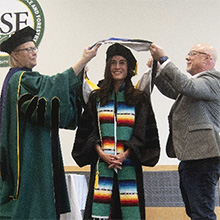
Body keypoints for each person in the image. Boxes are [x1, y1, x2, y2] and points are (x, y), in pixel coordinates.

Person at [0, 26, 100, 219]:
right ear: (15, 55)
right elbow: (51, 87)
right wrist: (83, 61)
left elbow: (48, 97)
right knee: (32, 204)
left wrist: (75, 78)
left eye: (34, 48)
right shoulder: (20, 79)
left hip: (31, 146)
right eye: (28, 49)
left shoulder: (15, 79)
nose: (34, 52)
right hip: (30, 152)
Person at [72, 43, 160, 220]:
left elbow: (142, 132)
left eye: (122, 63)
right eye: (113, 62)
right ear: (107, 66)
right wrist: (101, 153)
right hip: (102, 165)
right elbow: (88, 131)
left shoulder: (138, 99)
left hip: (129, 165)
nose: (117, 67)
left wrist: (126, 154)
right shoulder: (97, 98)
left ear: (128, 67)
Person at [150, 42, 220, 220]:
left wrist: (164, 59)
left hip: (203, 157)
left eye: (192, 53)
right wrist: (158, 71)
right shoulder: (196, 85)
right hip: (192, 156)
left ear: (207, 59)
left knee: (202, 213)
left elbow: (185, 86)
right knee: (195, 211)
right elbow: (175, 90)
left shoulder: (213, 80)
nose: (187, 57)